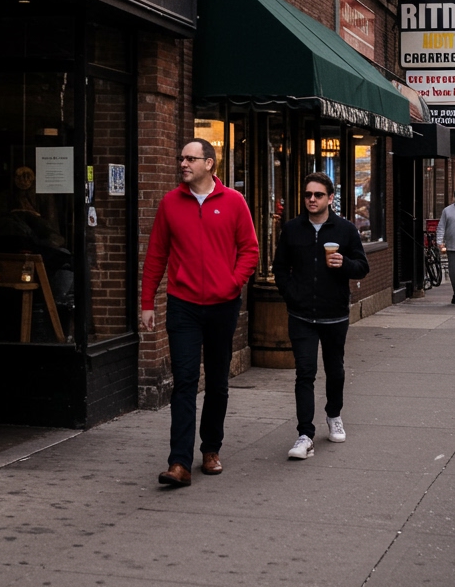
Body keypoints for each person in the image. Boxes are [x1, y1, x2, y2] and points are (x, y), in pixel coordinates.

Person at [141, 139, 259, 487]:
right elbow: (156, 255)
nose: (183, 163)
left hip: (223, 305)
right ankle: (179, 462)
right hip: (183, 305)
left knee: (218, 381)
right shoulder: (170, 203)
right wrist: (148, 302)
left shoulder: (234, 202)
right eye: (181, 158)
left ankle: (210, 449)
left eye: (190, 158)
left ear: (209, 163)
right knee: (185, 381)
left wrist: (233, 283)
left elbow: (249, 250)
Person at [271, 173, 369, 461]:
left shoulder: (345, 229)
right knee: (305, 373)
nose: (311, 199)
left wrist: (345, 263)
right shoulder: (291, 229)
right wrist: (291, 294)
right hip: (301, 315)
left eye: (317, 195)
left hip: (334, 314)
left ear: (330, 198)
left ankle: (334, 414)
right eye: (307, 195)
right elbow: (279, 268)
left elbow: (362, 267)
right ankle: (305, 434)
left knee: (335, 369)